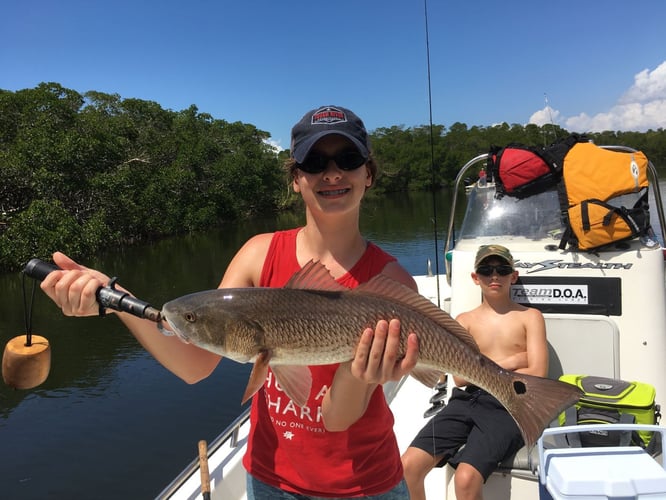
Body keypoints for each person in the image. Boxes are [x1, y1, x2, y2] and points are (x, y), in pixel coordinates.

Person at [40, 105, 419, 499]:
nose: (332, 173)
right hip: (270, 480)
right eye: (314, 161)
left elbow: (338, 419)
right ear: (296, 179)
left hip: (366, 485)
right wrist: (117, 300)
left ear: (369, 174)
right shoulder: (258, 255)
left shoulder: (391, 283)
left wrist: (362, 372)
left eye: (349, 158)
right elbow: (195, 366)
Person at [401, 244, 548, 500]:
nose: (494, 276)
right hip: (466, 400)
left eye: (502, 269)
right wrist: (514, 359)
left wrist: (481, 366)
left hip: (508, 405)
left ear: (513, 276)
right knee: (407, 467)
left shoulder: (530, 316)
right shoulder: (464, 320)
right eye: (486, 270)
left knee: (466, 478)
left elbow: (537, 372)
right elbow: (459, 378)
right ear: (475, 277)